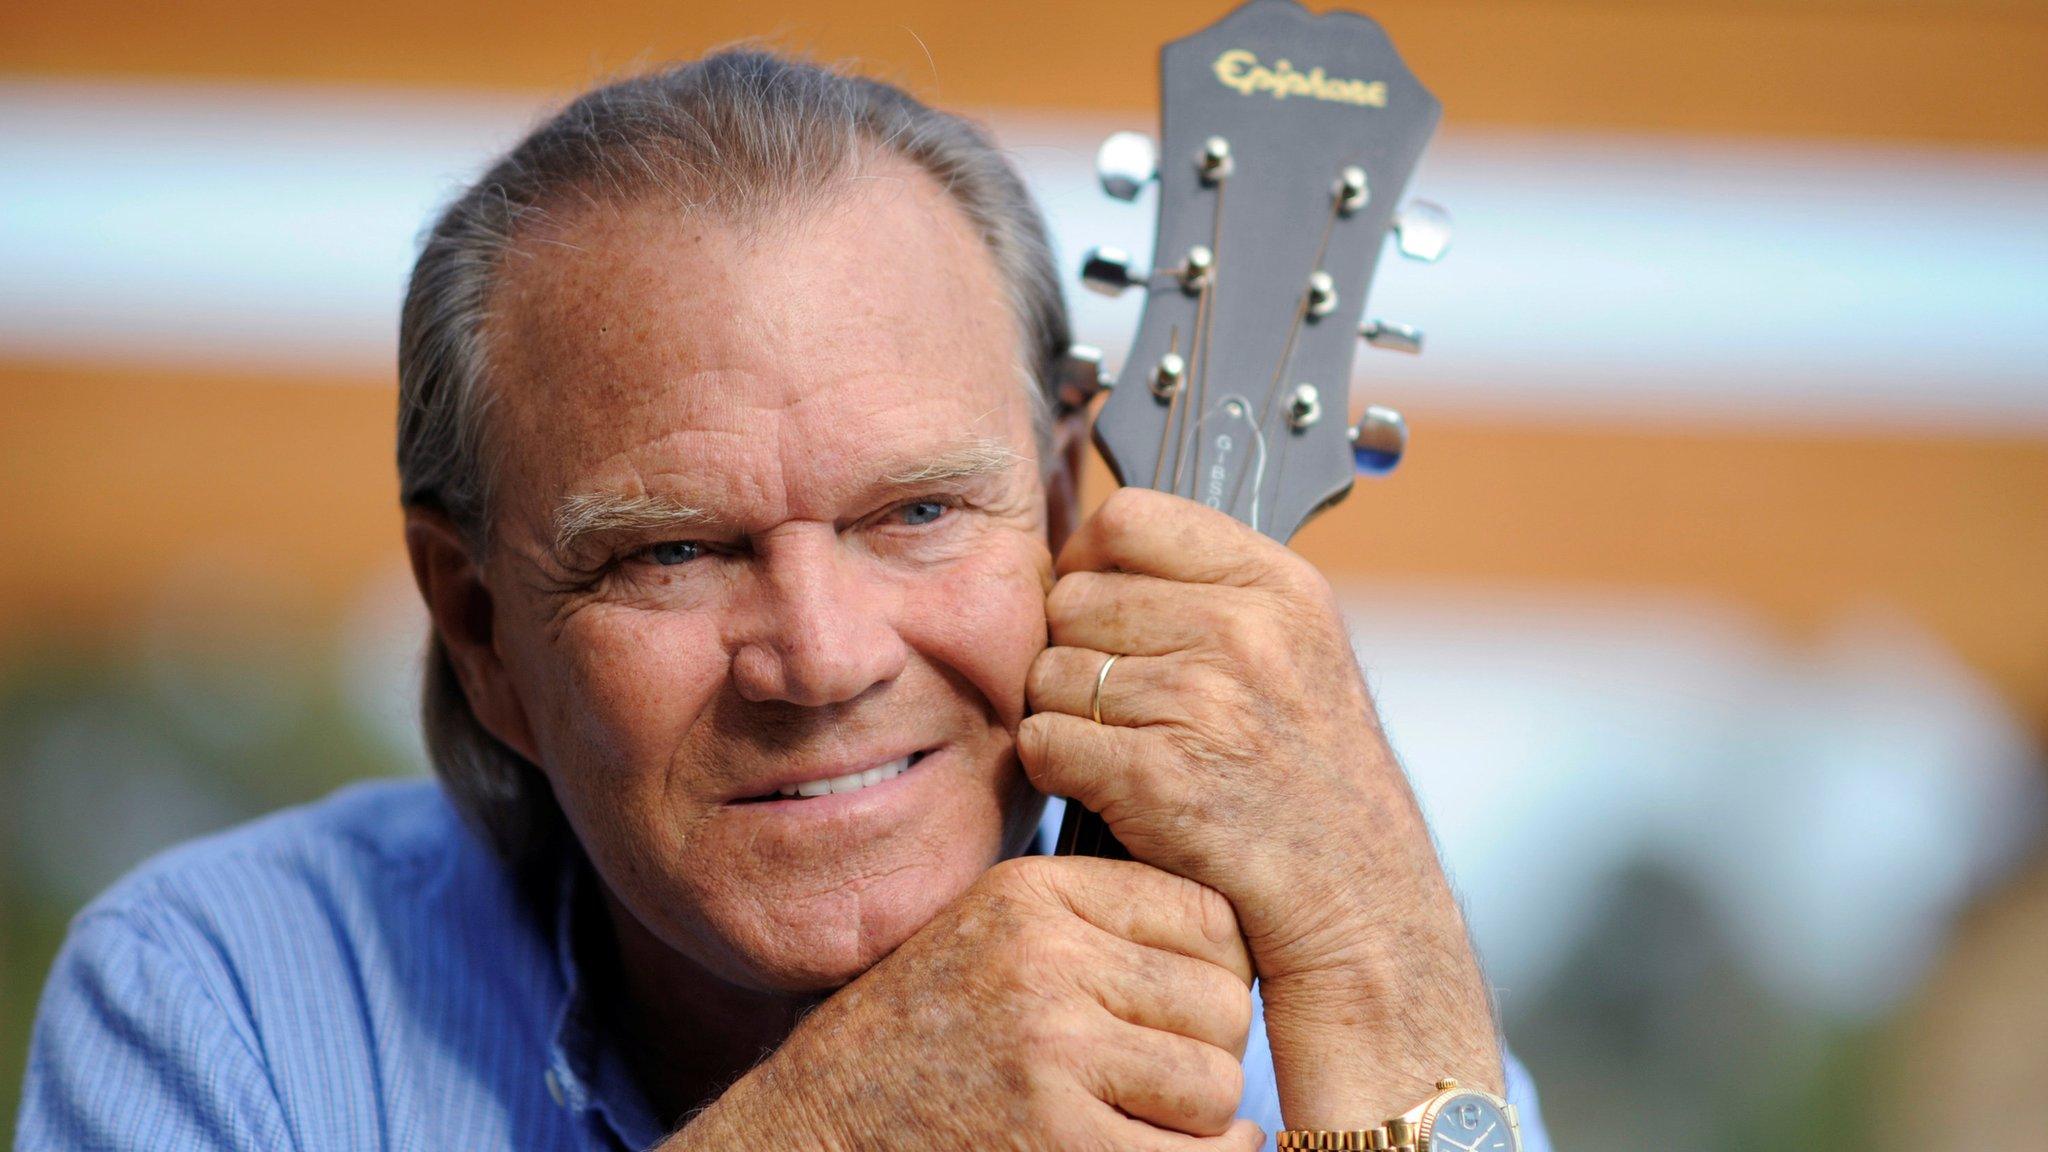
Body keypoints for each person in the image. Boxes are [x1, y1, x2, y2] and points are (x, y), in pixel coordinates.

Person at [18, 52, 1552, 1151]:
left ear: (1070, 515)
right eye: (672, 551)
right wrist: (834, 1131)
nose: (820, 657)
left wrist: (1391, 984)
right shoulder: (219, 998)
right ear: (480, 628)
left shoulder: (1337, 979)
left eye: (920, 512)